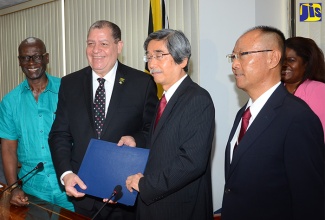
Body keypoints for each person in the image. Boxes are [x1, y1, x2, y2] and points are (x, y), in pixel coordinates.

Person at [48, 20, 158, 219]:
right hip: (83, 193)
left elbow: (153, 131)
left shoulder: (142, 83)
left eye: (104, 44)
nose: (96, 50)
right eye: (90, 43)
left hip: (125, 195)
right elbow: (59, 134)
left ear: (119, 46)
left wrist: (136, 139)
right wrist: (66, 175)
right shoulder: (69, 84)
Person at [222, 26, 324, 220]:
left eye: (242, 55)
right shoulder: (243, 114)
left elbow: (309, 201)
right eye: (233, 56)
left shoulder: (298, 118)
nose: (234, 64)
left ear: (273, 59)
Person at [123, 29, 215, 220]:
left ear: (182, 60)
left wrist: (146, 185)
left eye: (159, 56)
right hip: (152, 206)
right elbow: (159, 143)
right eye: (148, 56)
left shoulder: (197, 99)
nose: (151, 64)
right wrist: (136, 140)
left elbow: (191, 162)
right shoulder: (164, 99)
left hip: (178, 209)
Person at [0, 37, 74, 211]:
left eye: (37, 57)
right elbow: (9, 149)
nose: (31, 62)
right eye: (25, 58)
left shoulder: (67, 90)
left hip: (69, 184)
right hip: (32, 189)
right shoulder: (10, 102)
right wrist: (14, 188)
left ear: (46, 58)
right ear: (19, 62)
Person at [281, 36, 325, 138]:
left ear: (306, 64)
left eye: (291, 60)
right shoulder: (275, 90)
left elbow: (318, 135)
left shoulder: (318, 90)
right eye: (282, 60)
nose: (284, 64)